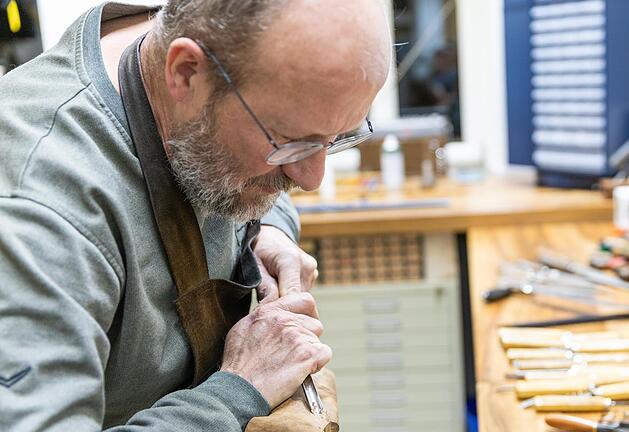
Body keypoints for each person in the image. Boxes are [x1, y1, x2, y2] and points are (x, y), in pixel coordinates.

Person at [0, 1, 391, 431]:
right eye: (291, 144)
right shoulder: (39, 211)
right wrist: (237, 392)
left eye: (336, 139)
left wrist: (268, 229)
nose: (311, 179)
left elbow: (227, 153)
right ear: (185, 72)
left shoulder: (191, 70)